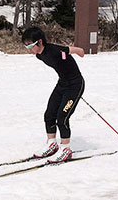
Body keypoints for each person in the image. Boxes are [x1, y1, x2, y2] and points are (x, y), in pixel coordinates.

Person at [22, 26, 85, 162]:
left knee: (62, 117)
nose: (29, 50)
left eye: (30, 46)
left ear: (39, 42)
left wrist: (81, 52)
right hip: (62, 84)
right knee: (49, 114)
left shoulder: (54, 51)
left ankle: (66, 149)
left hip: (75, 85)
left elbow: (71, 50)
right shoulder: (39, 55)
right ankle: (52, 144)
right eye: (26, 47)